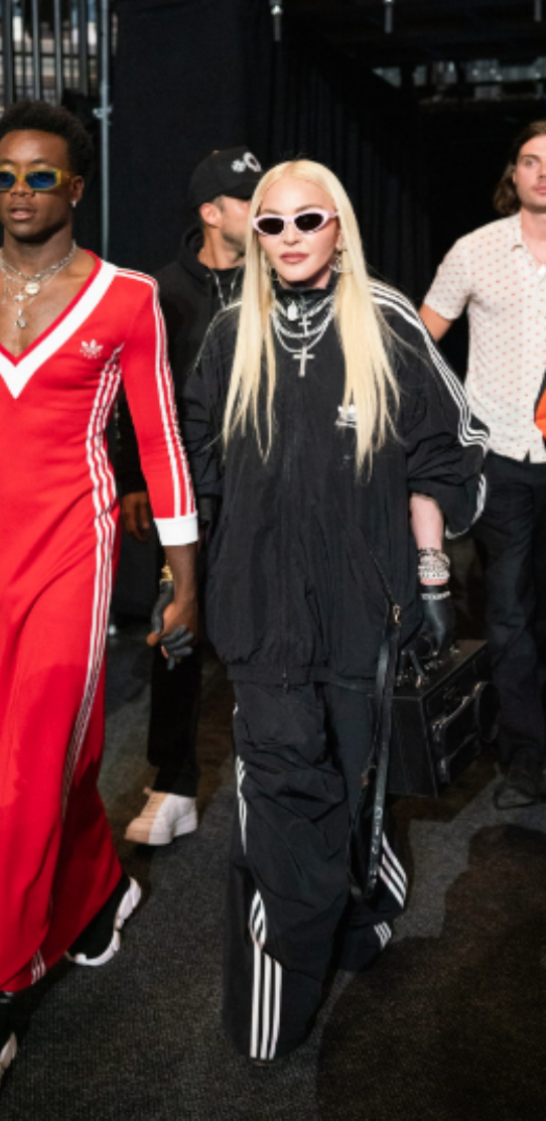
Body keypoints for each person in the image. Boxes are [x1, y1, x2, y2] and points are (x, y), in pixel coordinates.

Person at [0, 99, 198, 1101]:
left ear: (75, 185)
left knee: (26, 769)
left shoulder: (126, 297)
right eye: (3, 175)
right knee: (10, 761)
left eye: (40, 175)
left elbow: (159, 438)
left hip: (77, 555)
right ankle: (99, 891)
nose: (19, 191)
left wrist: (184, 575)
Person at [181, 159, 487, 1062]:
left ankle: (363, 911)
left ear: (339, 225)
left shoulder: (386, 320)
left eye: (307, 220)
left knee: (356, 780)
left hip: (368, 607)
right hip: (259, 613)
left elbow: (446, 450)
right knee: (282, 795)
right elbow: (196, 462)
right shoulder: (230, 332)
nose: (289, 238)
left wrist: (432, 576)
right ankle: (277, 995)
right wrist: (186, 576)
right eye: (270, 223)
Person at [118, 146, 262, 845]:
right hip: (186, 490)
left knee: (276, 629)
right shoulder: (162, 291)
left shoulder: (282, 277)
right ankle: (173, 782)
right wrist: (134, 478)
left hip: (268, 489)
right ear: (211, 211)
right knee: (175, 627)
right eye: (246, 198)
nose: (261, 209)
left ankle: (279, 775)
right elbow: (131, 392)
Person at [421, 120, 546, 806]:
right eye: (531, 160)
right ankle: (526, 756)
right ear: (513, 174)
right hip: (501, 455)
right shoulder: (475, 250)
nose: (543, 172)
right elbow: (421, 341)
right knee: (508, 608)